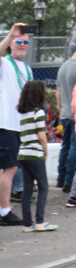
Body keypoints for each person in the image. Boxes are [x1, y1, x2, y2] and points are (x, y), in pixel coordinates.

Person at [0, 23, 34, 226]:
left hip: (21, 124)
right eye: (19, 41)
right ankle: (3, 210)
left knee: (10, 169)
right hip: (7, 123)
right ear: (11, 45)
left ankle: (1, 209)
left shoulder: (26, 68)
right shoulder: (5, 64)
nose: (22, 45)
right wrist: (10, 35)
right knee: (9, 168)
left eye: (25, 41)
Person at [16, 80, 56, 233]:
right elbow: (41, 136)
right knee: (43, 186)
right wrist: (45, 151)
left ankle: (27, 223)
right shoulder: (38, 113)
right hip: (35, 153)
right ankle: (40, 220)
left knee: (27, 188)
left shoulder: (24, 113)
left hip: (23, 152)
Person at [55, 44, 76, 193]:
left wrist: (60, 109)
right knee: (74, 148)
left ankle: (61, 179)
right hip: (74, 114)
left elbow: (58, 92)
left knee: (65, 146)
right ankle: (69, 181)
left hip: (64, 114)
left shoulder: (63, 67)